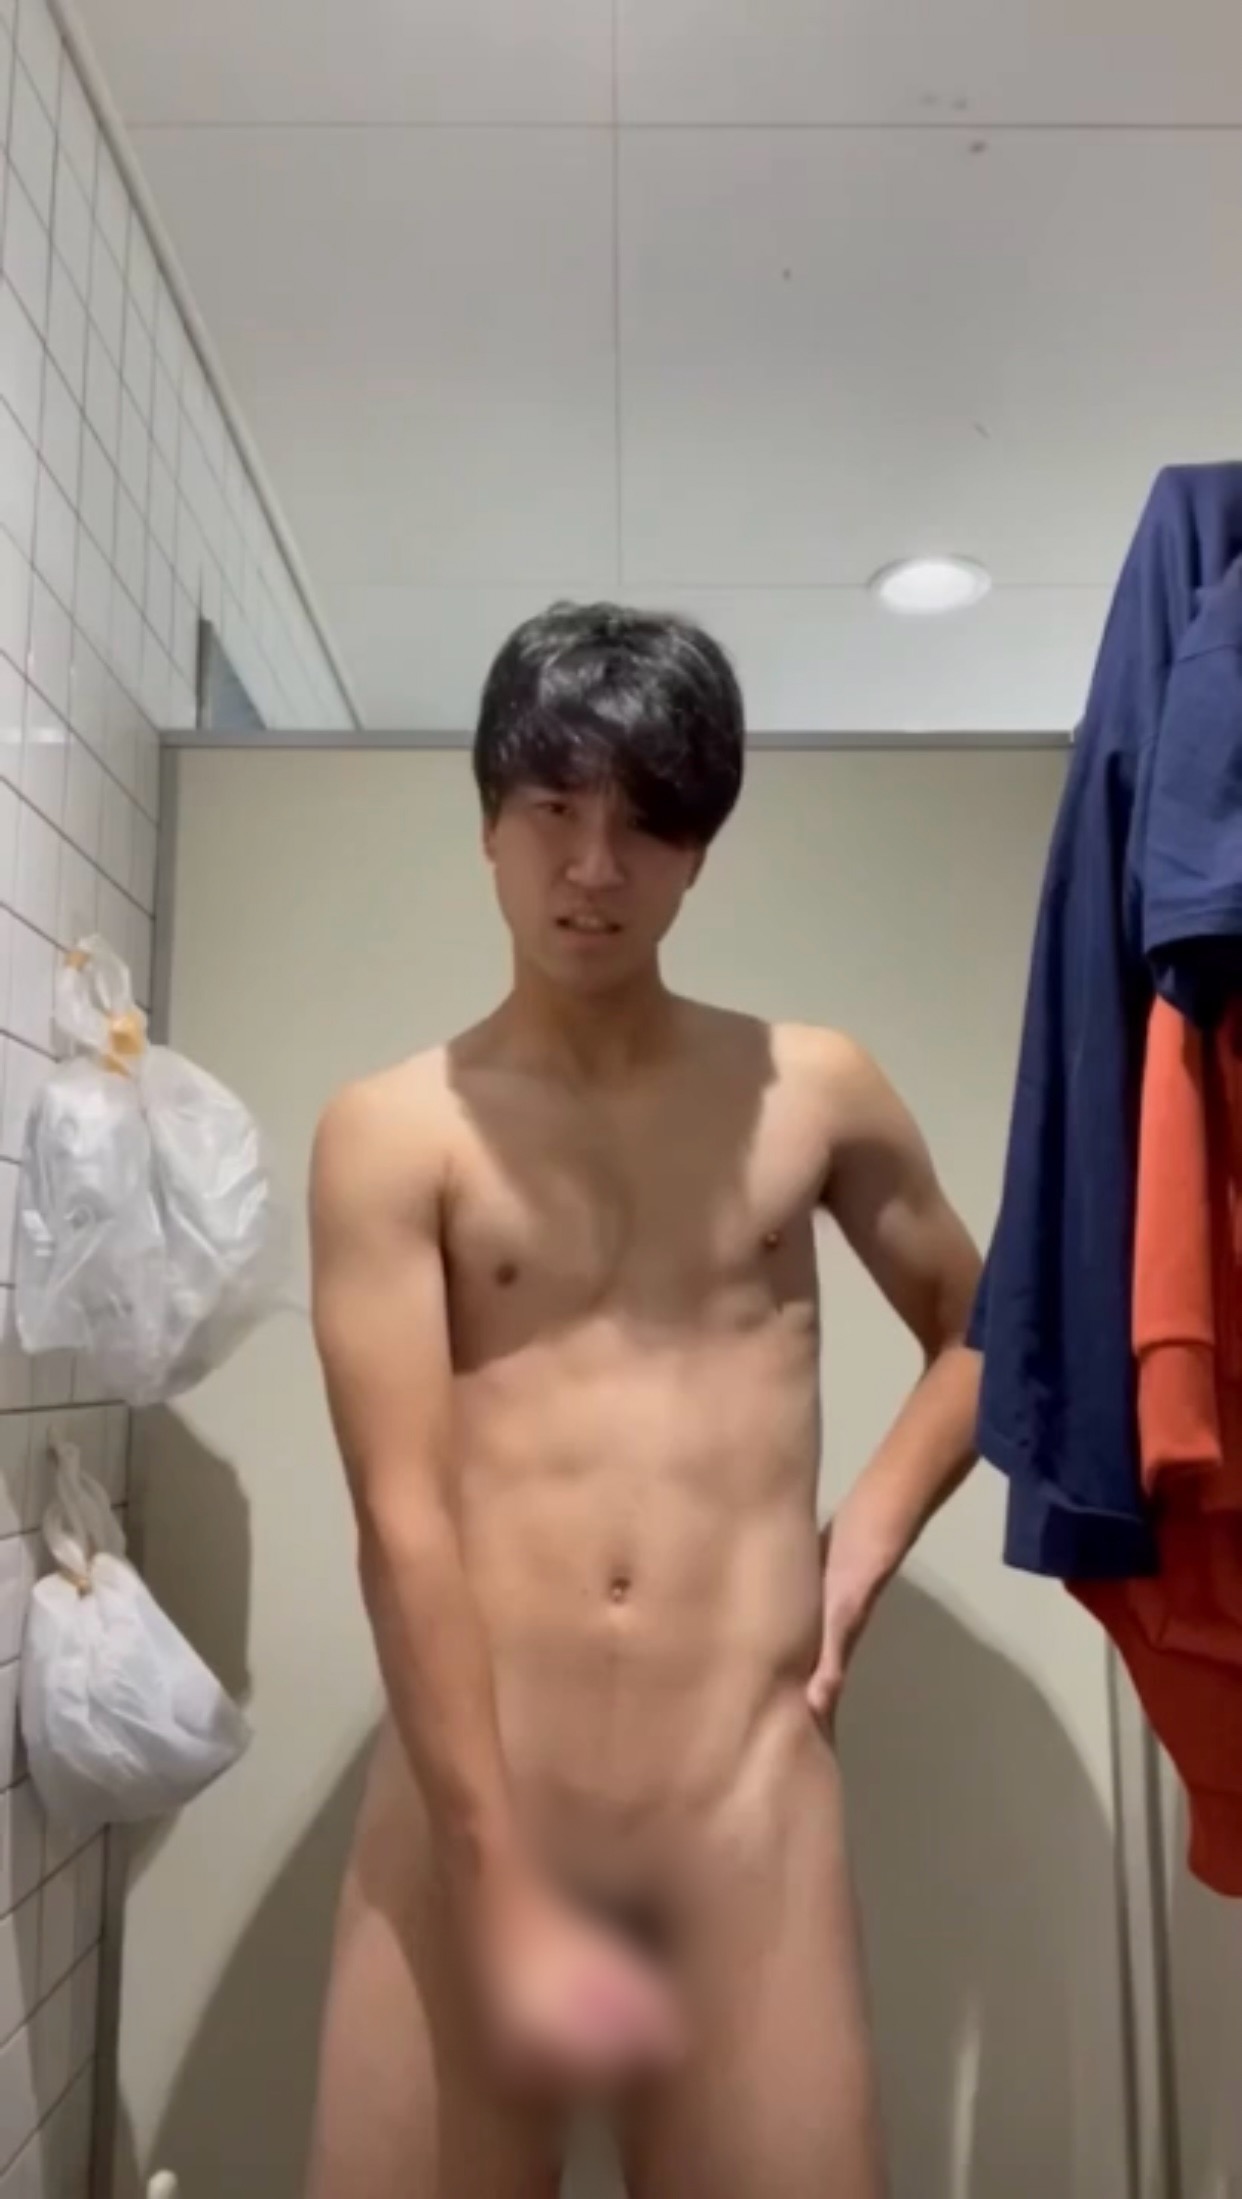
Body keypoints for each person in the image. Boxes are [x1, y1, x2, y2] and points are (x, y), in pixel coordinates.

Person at [306, 604, 982, 2199]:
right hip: (474, 1814)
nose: (594, 868)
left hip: (740, 1820)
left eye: (645, 826)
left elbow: (989, 1327)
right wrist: (498, 1883)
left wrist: (857, 1552)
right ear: (489, 823)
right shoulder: (394, 1132)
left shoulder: (810, 1091)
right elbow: (401, 1519)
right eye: (554, 809)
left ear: (698, 853)